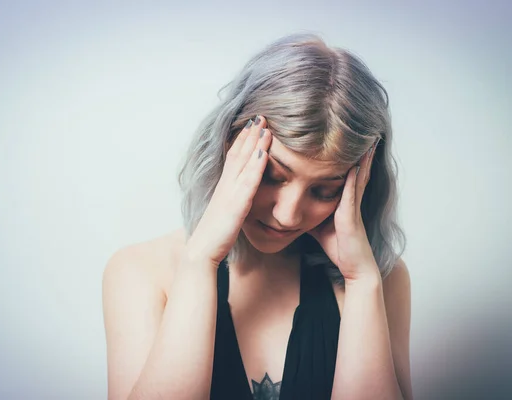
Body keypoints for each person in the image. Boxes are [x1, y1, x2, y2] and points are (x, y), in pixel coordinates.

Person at [103, 33, 412, 400]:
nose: (288, 214)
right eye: (271, 175)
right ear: (228, 146)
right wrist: (201, 259)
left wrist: (361, 281)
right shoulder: (140, 272)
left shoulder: (380, 278)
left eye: (324, 190)